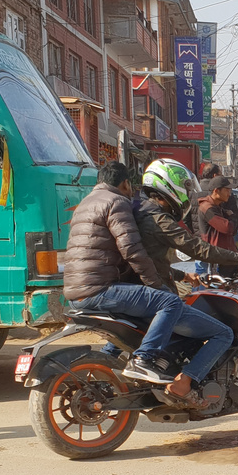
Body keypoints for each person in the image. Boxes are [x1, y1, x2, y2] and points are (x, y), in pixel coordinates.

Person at [133, 159, 238, 403]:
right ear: (167, 185)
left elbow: (150, 260)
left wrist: (180, 274)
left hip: (143, 289)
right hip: (157, 294)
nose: (186, 194)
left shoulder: (142, 213)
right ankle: (184, 384)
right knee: (223, 334)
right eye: (183, 187)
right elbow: (200, 248)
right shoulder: (159, 219)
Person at [62, 162, 185, 390]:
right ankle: (144, 359)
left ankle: (107, 367)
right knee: (169, 302)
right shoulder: (117, 202)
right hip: (98, 289)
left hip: (74, 291)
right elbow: (132, 250)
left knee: (132, 317)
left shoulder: (85, 203)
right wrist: (155, 284)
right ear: (125, 183)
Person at [193, 175, 238, 270]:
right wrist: (232, 217)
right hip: (215, 257)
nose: (229, 194)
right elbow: (227, 228)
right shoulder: (207, 208)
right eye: (227, 190)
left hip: (224, 254)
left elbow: (233, 229)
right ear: (216, 191)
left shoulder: (218, 206)